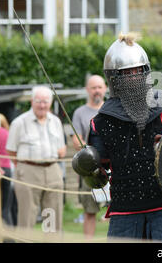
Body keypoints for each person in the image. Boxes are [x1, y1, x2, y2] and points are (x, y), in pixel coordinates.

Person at [72, 34, 162, 242]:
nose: (133, 76)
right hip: (127, 210)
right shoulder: (101, 121)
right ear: (113, 77)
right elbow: (98, 173)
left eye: (137, 71)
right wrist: (86, 165)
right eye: (126, 72)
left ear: (146, 72)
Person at [6, 86, 66, 232]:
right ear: (32, 101)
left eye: (45, 102)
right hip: (28, 171)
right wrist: (24, 167)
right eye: (38, 101)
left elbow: (62, 150)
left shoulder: (56, 122)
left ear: (50, 103)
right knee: (27, 217)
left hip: (53, 170)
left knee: (52, 217)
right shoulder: (19, 122)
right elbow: (11, 151)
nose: (42, 105)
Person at [70, 75, 107, 239]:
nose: (97, 91)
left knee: (119, 211)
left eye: (99, 87)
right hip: (90, 170)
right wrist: (92, 153)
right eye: (93, 87)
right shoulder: (80, 113)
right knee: (90, 211)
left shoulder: (111, 109)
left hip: (114, 168)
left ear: (105, 88)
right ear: (87, 90)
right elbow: (76, 141)